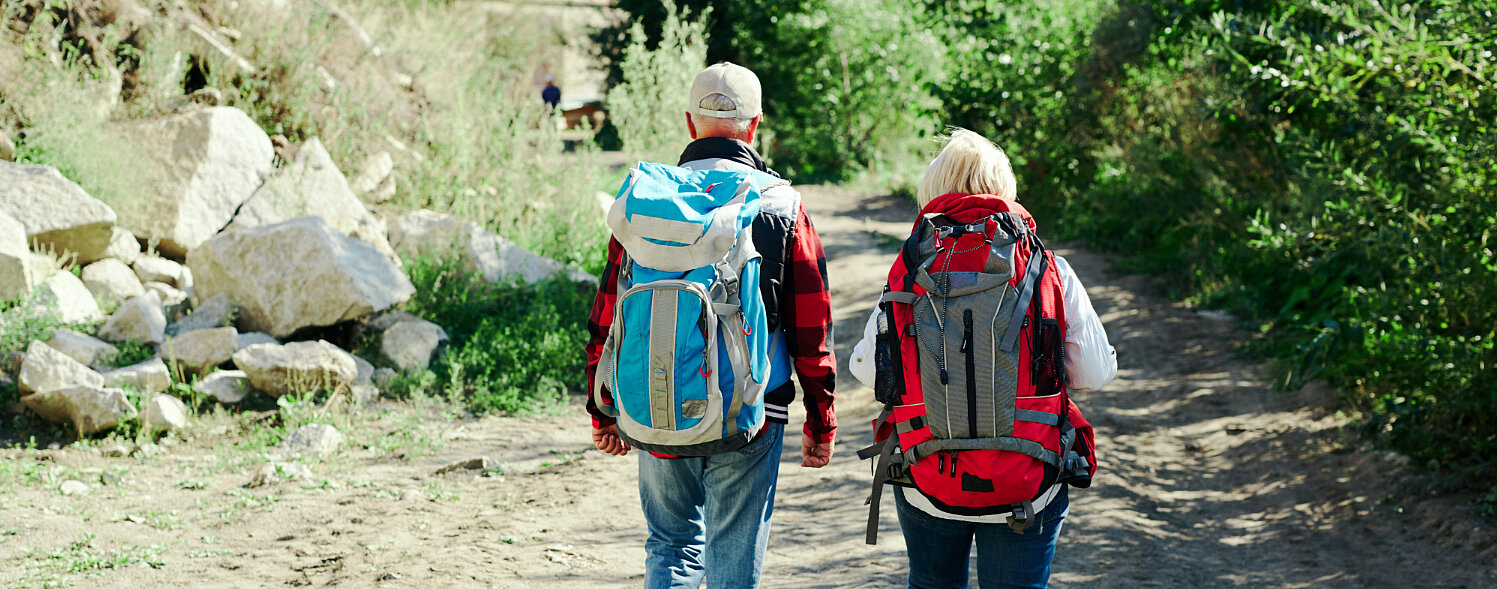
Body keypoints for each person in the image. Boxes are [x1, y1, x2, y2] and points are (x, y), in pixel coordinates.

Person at [585, 62, 838, 589]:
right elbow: (810, 327)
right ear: (756, 123)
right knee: (733, 555)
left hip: (656, 400)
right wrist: (821, 417)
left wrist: (603, 408)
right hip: (750, 407)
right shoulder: (782, 204)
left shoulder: (646, 204)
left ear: (688, 122)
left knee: (670, 546)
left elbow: (609, 313)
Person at [849, 129, 1116, 589]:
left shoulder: (913, 267)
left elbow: (868, 371)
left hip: (930, 473)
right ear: (1004, 188)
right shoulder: (1045, 265)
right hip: (1026, 476)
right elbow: (1095, 371)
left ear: (933, 190)